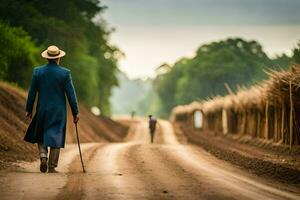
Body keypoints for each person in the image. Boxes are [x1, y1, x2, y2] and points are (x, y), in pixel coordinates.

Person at [24, 45, 79, 173]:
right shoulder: (65, 73)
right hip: (58, 111)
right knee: (56, 135)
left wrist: (29, 109)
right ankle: (52, 166)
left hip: (42, 109)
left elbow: (32, 92)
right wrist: (75, 112)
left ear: (47, 58)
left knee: (41, 134)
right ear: (58, 58)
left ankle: (43, 155)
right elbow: (71, 94)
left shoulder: (38, 72)